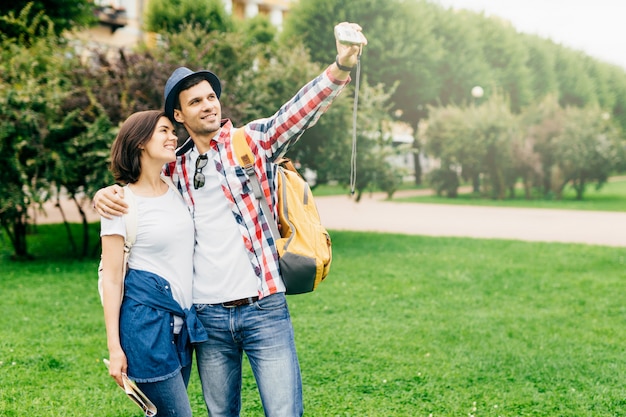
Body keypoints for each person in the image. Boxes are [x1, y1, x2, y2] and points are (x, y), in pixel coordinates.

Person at [95, 22, 367, 417]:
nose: (209, 106)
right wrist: (104, 194)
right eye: (196, 102)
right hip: (207, 319)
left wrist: (340, 67)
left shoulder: (251, 142)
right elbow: (139, 182)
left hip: (264, 307)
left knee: (284, 412)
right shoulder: (176, 168)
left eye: (211, 97)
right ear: (179, 114)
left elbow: (296, 114)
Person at [100, 110, 207, 417]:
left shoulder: (175, 188)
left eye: (173, 131)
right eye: (163, 130)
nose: (173, 136)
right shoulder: (120, 202)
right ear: (139, 143)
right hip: (147, 330)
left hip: (182, 330)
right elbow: (111, 279)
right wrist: (114, 348)